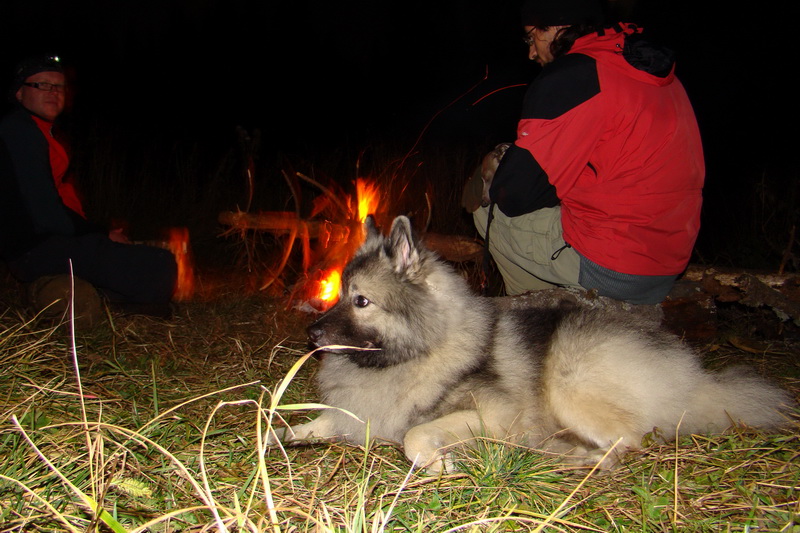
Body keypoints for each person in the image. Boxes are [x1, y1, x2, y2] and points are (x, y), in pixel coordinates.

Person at [464, 0, 704, 305]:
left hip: (616, 267)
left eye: (531, 37)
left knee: (487, 207)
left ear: (555, 27)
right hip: (668, 257)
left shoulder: (571, 78)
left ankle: (534, 321)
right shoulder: (639, 67)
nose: (531, 52)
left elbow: (513, 197)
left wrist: (498, 168)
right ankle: (570, 304)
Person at [0, 54, 177, 326]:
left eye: (58, 86)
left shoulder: (43, 133)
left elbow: (60, 206)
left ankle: (91, 297)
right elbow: (47, 214)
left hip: (44, 245)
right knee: (160, 263)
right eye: (42, 85)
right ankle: (121, 308)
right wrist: (101, 234)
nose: (53, 92)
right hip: (36, 248)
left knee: (135, 261)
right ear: (20, 93)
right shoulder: (19, 130)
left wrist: (97, 234)